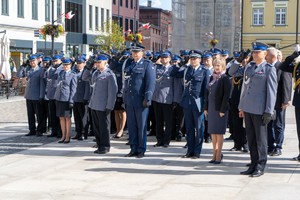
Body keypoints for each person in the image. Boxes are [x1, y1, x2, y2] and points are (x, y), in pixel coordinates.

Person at [229, 42, 277, 177]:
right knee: (250, 138)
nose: (255, 54)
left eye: (258, 52)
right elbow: (232, 73)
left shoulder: (269, 69)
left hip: (260, 109)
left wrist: (269, 110)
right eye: (254, 52)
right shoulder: (249, 67)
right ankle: (253, 163)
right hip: (248, 108)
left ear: (265, 54)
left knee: (261, 140)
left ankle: (260, 166)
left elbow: (271, 92)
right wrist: (238, 61)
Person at [171, 50, 210, 159]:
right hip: (187, 102)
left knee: (199, 128)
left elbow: (206, 89)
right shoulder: (186, 69)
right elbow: (173, 73)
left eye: (195, 59)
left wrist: (205, 105)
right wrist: (181, 64)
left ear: (200, 60)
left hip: (198, 102)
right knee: (189, 128)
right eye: (191, 59)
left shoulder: (204, 71)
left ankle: (197, 151)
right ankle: (190, 150)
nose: (193, 61)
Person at [123, 44, 156, 158]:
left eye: (137, 52)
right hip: (130, 100)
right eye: (133, 52)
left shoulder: (147, 65)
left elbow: (150, 82)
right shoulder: (129, 64)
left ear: (142, 52)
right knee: (131, 126)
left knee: (141, 126)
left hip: (141, 100)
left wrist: (148, 98)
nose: (135, 54)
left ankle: (141, 149)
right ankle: (133, 148)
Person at [87, 55, 117, 154]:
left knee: (104, 127)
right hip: (94, 104)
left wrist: (110, 106)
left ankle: (105, 146)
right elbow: (85, 79)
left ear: (105, 62)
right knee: (96, 127)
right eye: (96, 62)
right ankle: (99, 145)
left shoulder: (109, 75)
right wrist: (88, 68)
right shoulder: (95, 73)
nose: (97, 64)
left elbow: (112, 92)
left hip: (103, 105)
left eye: (99, 62)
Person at [204, 58, 231, 164]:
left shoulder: (225, 78)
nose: (216, 67)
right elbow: (207, 93)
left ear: (223, 66)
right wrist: (205, 108)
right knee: (213, 132)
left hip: (220, 109)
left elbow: (226, 96)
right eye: (215, 65)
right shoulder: (211, 77)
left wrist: (222, 109)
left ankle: (219, 155)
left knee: (219, 133)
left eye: (218, 65)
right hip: (211, 108)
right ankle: (214, 154)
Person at [266, 48, 292, 156]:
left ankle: (278, 146)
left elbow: (287, 84)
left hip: (279, 101)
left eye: (266, 55)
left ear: (272, 56)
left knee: (278, 125)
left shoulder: (282, 67)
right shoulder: (267, 66)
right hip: (269, 102)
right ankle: (270, 145)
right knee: (269, 124)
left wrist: (285, 100)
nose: (265, 57)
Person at [279, 46, 300, 161]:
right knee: (299, 130)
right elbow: (283, 66)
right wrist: (293, 56)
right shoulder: (297, 66)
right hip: (298, 102)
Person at [152, 51, 175, 148]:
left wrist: (175, 99)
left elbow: (175, 85)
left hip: (167, 98)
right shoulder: (157, 67)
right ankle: (159, 140)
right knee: (158, 120)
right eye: (162, 57)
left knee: (168, 121)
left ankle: (166, 140)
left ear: (170, 58)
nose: (164, 59)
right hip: (157, 97)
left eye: (166, 57)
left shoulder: (174, 69)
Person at [19, 55, 44, 136]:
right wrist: (22, 66)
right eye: (30, 61)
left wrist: (41, 96)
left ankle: (40, 130)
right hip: (29, 95)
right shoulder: (28, 70)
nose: (32, 62)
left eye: (33, 61)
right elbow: (20, 76)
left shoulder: (41, 70)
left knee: (39, 115)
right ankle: (32, 129)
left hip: (37, 96)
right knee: (30, 114)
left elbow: (42, 85)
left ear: (37, 61)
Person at [54, 58, 77, 143]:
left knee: (67, 118)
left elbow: (73, 89)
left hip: (67, 98)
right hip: (59, 97)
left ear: (70, 65)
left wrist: (71, 100)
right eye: (64, 65)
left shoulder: (73, 75)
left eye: (67, 65)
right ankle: (63, 135)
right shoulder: (61, 73)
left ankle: (68, 136)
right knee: (61, 117)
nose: (65, 66)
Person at [109, 51, 129, 139]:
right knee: (116, 111)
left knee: (122, 111)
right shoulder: (118, 63)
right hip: (116, 91)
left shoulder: (127, 64)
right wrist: (116, 59)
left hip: (123, 91)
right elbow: (111, 67)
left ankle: (121, 130)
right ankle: (117, 129)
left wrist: (126, 61)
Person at [72, 56, 90, 140]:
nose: (78, 65)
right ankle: (78, 132)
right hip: (76, 98)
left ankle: (83, 133)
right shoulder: (74, 72)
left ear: (84, 64)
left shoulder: (86, 73)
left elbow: (87, 86)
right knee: (77, 117)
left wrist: (86, 98)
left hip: (83, 98)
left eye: (80, 63)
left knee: (83, 118)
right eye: (77, 63)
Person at [46, 55, 63, 138]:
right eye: (53, 61)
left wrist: (57, 69)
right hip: (52, 94)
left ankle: (60, 131)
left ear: (60, 60)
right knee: (52, 114)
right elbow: (48, 77)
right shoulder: (51, 69)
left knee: (58, 114)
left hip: (58, 94)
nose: (54, 62)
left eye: (56, 61)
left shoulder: (62, 68)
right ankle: (54, 130)